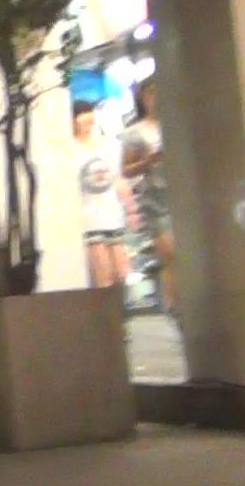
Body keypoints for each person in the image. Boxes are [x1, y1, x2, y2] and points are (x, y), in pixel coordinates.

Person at [123, 78, 177, 315]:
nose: (155, 98)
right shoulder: (135, 132)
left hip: (180, 195)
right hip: (155, 199)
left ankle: (177, 304)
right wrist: (148, 161)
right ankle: (174, 307)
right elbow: (126, 169)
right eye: (150, 93)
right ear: (143, 98)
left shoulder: (175, 125)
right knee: (170, 254)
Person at [72, 99, 129, 291]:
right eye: (82, 118)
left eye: (90, 118)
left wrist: (130, 209)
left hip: (112, 216)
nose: (88, 123)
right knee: (103, 278)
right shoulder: (70, 150)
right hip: (89, 221)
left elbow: (118, 178)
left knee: (122, 273)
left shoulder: (108, 145)